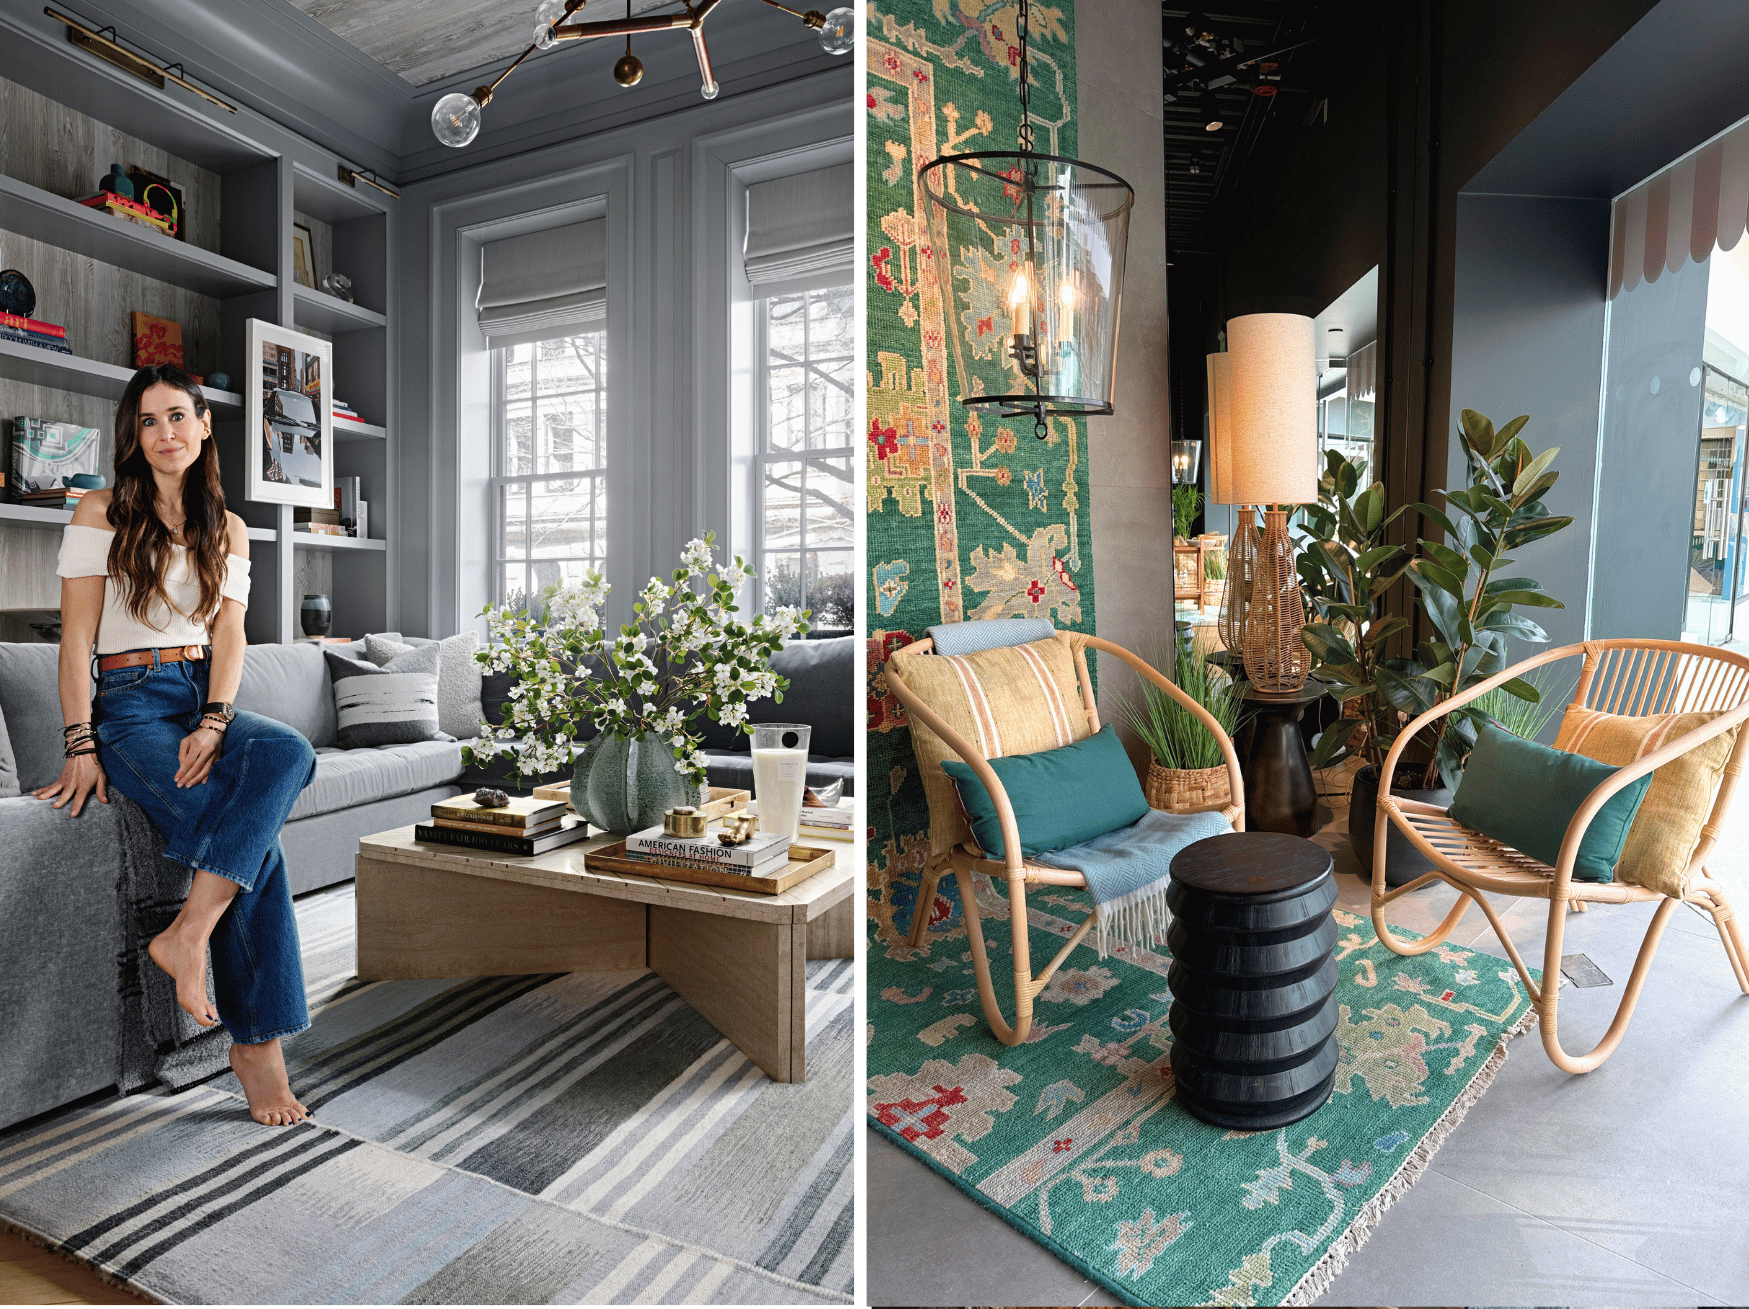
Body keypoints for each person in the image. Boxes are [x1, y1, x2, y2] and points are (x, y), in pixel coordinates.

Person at [32, 364, 319, 1127]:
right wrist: (80, 741)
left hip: (198, 698)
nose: (164, 434)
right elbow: (77, 640)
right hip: (129, 710)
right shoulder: (99, 511)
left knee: (288, 753)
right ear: (137, 434)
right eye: (149, 421)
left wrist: (218, 719)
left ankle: (186, 933)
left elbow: (231, 631)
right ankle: (258, 1047)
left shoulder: (228, 527)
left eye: (177, 417)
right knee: (259, 846)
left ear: (203, 426)